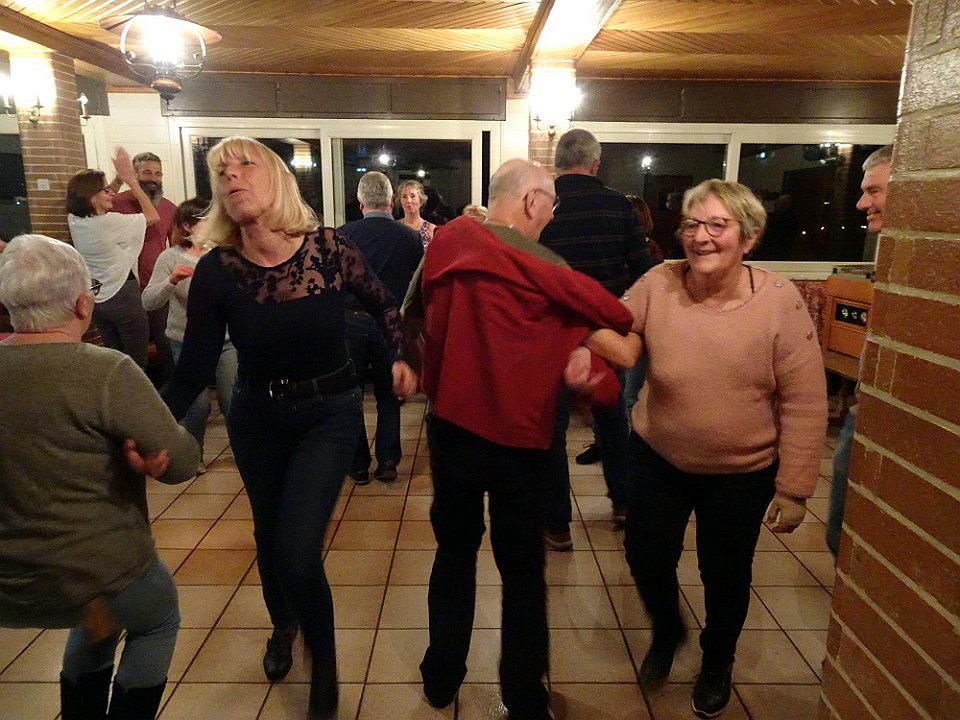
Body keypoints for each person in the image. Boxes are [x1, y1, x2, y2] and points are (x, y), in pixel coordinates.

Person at [161, 136, 417, 720]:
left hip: (329, 412)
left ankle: (323, 666)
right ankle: (283, 624)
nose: (231, 176)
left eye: (244, 164)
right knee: (268, 535)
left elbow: (384, 304)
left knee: (297, 551)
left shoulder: (330, 247)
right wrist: (145, 425)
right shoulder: (217, 270)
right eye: (220, 170)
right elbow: (193, 369)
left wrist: (401, 356)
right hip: (256, 416)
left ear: (277, 178)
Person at [406, 158, 639, 720]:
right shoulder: (550, 273)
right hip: (522, 443)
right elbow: (616, 327)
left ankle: (442, 674)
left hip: (453, 431)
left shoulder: (446, 243)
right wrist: (584, 356)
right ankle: (523, 694)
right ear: (534, 201)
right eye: (552, 204)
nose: (552, 215)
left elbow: (412, 315)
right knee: (522, 572)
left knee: (454, 553)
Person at [620, 179, 827, 718]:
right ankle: (668, 628)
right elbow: (618, 326)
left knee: (726, 573)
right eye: (692, 224)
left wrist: (795, 488)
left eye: (718, 225)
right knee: (645, 553)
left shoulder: (779, 300)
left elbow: (805, 400)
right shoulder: (659, 281)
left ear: (749, 237)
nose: (700, 237)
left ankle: (717, 662)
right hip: (658, 455)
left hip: (742, 470)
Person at [0, 234, 199, 720]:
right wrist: (147, 461)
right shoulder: (105, 371)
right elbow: (182, 462)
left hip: (10, 584)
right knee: (156, 617)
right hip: (99, 576)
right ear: (82, 304)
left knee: (98, 620)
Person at [539, 128, 657, 548]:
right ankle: (623, 503)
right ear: (596, 163)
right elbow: (644, 274)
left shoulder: (541, 205)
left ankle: (557, 526)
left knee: (551, 431)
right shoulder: (618, 205)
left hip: (551, 335)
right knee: (612, 421)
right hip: (606, 332)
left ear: (557, 162)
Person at [826, 144, 892, 557]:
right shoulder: (896, 259)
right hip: (865, 411)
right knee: (842, 536)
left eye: (874, 191)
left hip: (891, 425)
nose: (861, 203)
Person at [337, 171, 423, 484]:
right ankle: (388, 461)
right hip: (391, 324)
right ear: (391, 202)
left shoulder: (343, 235)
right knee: (389, 393)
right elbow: (417, 284)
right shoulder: (409, 238)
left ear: (360, 203)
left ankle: (358, 464)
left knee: (351, 395)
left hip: (351, 322)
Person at [142, 197, 238, 473]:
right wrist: (171, 280)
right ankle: (193, 455)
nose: (215, 222)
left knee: (232, 399)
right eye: (207, 219)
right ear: (187, 226)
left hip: (226, 340)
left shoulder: (224, 254)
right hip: (185, 341)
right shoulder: (170, 257)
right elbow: (148, 301)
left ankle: (243, 451)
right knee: (197, 406)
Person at [67, 148, 160, 368]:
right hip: (123, 297)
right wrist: (131, 181)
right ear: (91, 197)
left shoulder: (75, 220)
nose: (111, 193)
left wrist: (118, 180)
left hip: (99, 298)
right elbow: (152, 216)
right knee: (136, 361)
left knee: (114, 357)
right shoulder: (109, 223)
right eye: (105, 190)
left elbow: (102, 202)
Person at [111, 152, 178, 385]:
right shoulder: (116, 203)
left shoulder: (169, 208)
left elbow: (177, 247)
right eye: (147, 172)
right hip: (123, 289)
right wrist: (119, 179)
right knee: (129, 354)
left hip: (158, 288)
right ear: (135, 173)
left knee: (167, 346)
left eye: (158, 174)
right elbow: (91, 208)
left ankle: (170, 397)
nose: (153, 178)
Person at [396, 179, 437, 247]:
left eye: (413, 196)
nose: (408, 201)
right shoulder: (395, 228)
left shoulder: (431, 229)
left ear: (421, 200)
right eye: (404, 197)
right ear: (400, 201)